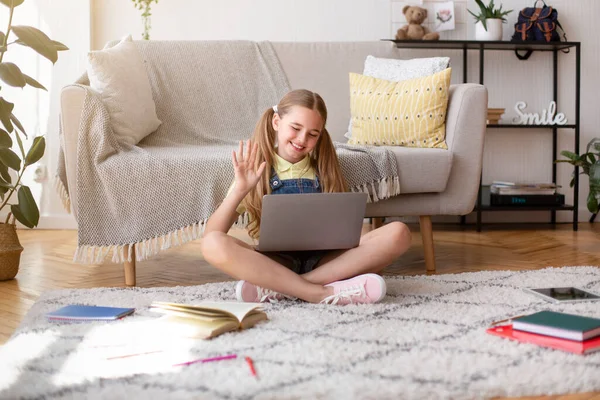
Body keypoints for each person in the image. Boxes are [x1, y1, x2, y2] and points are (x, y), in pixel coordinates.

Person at [201, 89, 412, 305]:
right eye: (295, 128)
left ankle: (287, 287)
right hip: (275, 262)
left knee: (399, 232)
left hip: (326, 262)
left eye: (313, 134)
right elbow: (212, 234)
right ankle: (320, 292)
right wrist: (240, 189)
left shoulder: (326, 168)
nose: (302, 139)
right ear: (276, 122)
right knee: (213, 244)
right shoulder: (254, 171)